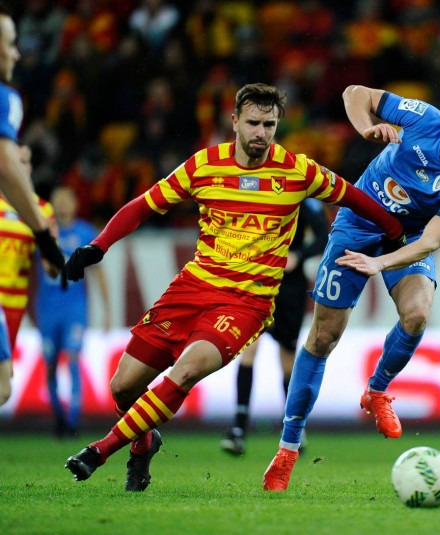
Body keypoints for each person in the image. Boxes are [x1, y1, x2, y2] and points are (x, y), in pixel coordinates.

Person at [62, 82, 404, 492]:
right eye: (254, 123)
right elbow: (144, 205)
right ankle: (144, 442)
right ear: (235, 121)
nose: (261, 133)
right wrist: (98, 246)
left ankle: (99, 451)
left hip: (246, 303)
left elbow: (356, 198)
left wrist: (397, 232)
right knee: (123, 386)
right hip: (191, 288)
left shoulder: (297, 171)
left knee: (187, 370)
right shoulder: (204, 165)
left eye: (270, 125)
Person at [263, 85, 440, 491]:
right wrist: (366, 127)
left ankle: (377, 391)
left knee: (417, 314)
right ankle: (287, 450)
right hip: (357, 224)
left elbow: (430, 242)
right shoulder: (425, 119)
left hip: (407, 239)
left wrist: (379, 263)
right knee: (323, 337)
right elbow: (353, 93)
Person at [220, 197, 328, 456]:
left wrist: (298, 255)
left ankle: (293, 427)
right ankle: (238, 428)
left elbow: (323, 236)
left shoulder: (302, 201)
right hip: (257, 281)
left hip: (289, 288)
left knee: (288, 356)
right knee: (249, 347)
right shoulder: (257, 196)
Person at [0, 4, 66, 407]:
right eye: (10, 44)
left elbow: (50, 269)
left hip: (12, 302)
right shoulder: (6, 98)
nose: (16, 54)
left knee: (4, 384)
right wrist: (43, 236)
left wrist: (48, 248)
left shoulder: (37, 207)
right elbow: (5, 162)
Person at [37, 185, 111, 437]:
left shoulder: (85, 232)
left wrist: (107, 310)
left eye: (66, 199)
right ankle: (59, 417)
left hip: (74, 309)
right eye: (57, 199)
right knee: (50, 364)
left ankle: (73, 420)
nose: (62, 204)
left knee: (72, 358)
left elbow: (98, 272)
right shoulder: (43, 232)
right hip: (47, 310)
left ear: (75, 203)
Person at [0, 145, 57, 350]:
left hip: (14, 303)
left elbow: (52, 269)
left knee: (5, 364)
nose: (20, 168)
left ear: (30, 168)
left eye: (24, 162)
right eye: (15, 162)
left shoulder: (43, 210)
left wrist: (54, 256)